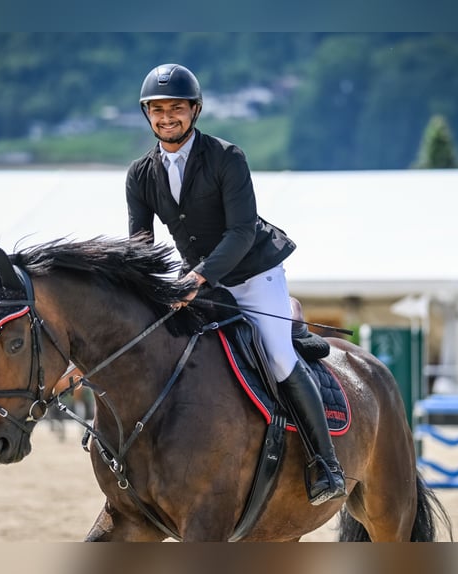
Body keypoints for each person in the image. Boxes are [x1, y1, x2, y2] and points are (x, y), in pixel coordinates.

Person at [126, 63, 345, 505]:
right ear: (147, 114)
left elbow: (241, 232)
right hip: (199, 282)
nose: (167, 117)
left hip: (253, 273)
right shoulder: (140, 174)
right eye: (157, 109)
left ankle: (326, 464)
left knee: (279, 356)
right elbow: (141, 244)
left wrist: (197, 277)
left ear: (195, 110)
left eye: (176, 108)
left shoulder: (227, 157)